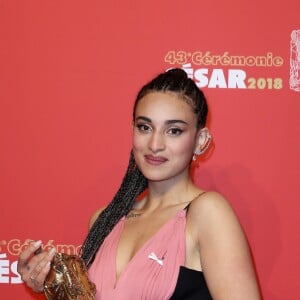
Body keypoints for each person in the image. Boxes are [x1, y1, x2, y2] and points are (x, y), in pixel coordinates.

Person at [18, 68, 261, 299]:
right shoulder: (104, 220)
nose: (155, 144)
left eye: (174, 131)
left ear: (200, 140)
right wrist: (52, 284)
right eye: (145, 127)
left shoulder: (208, 213)